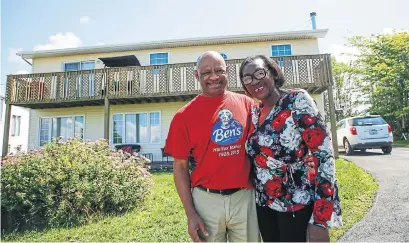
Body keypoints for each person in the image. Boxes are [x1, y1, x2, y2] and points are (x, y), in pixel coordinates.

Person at [239, 55, 343, 242]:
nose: (254, 81)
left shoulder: (297, 100)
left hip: (297, 203)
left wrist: (321, 219)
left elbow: (325, 157)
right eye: (247, 78)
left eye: (259, 73)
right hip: (264, 205)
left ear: (273, 72)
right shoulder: (254, 112)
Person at [164, 51, 260, 242]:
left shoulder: (248, 105)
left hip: (244, 198)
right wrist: (190, 213)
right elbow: (180, 167)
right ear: (196, 75)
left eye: (219, 71)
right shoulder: (183, 117)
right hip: (206, 202)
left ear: (228, 71)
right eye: (207, 72)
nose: (214, 77)